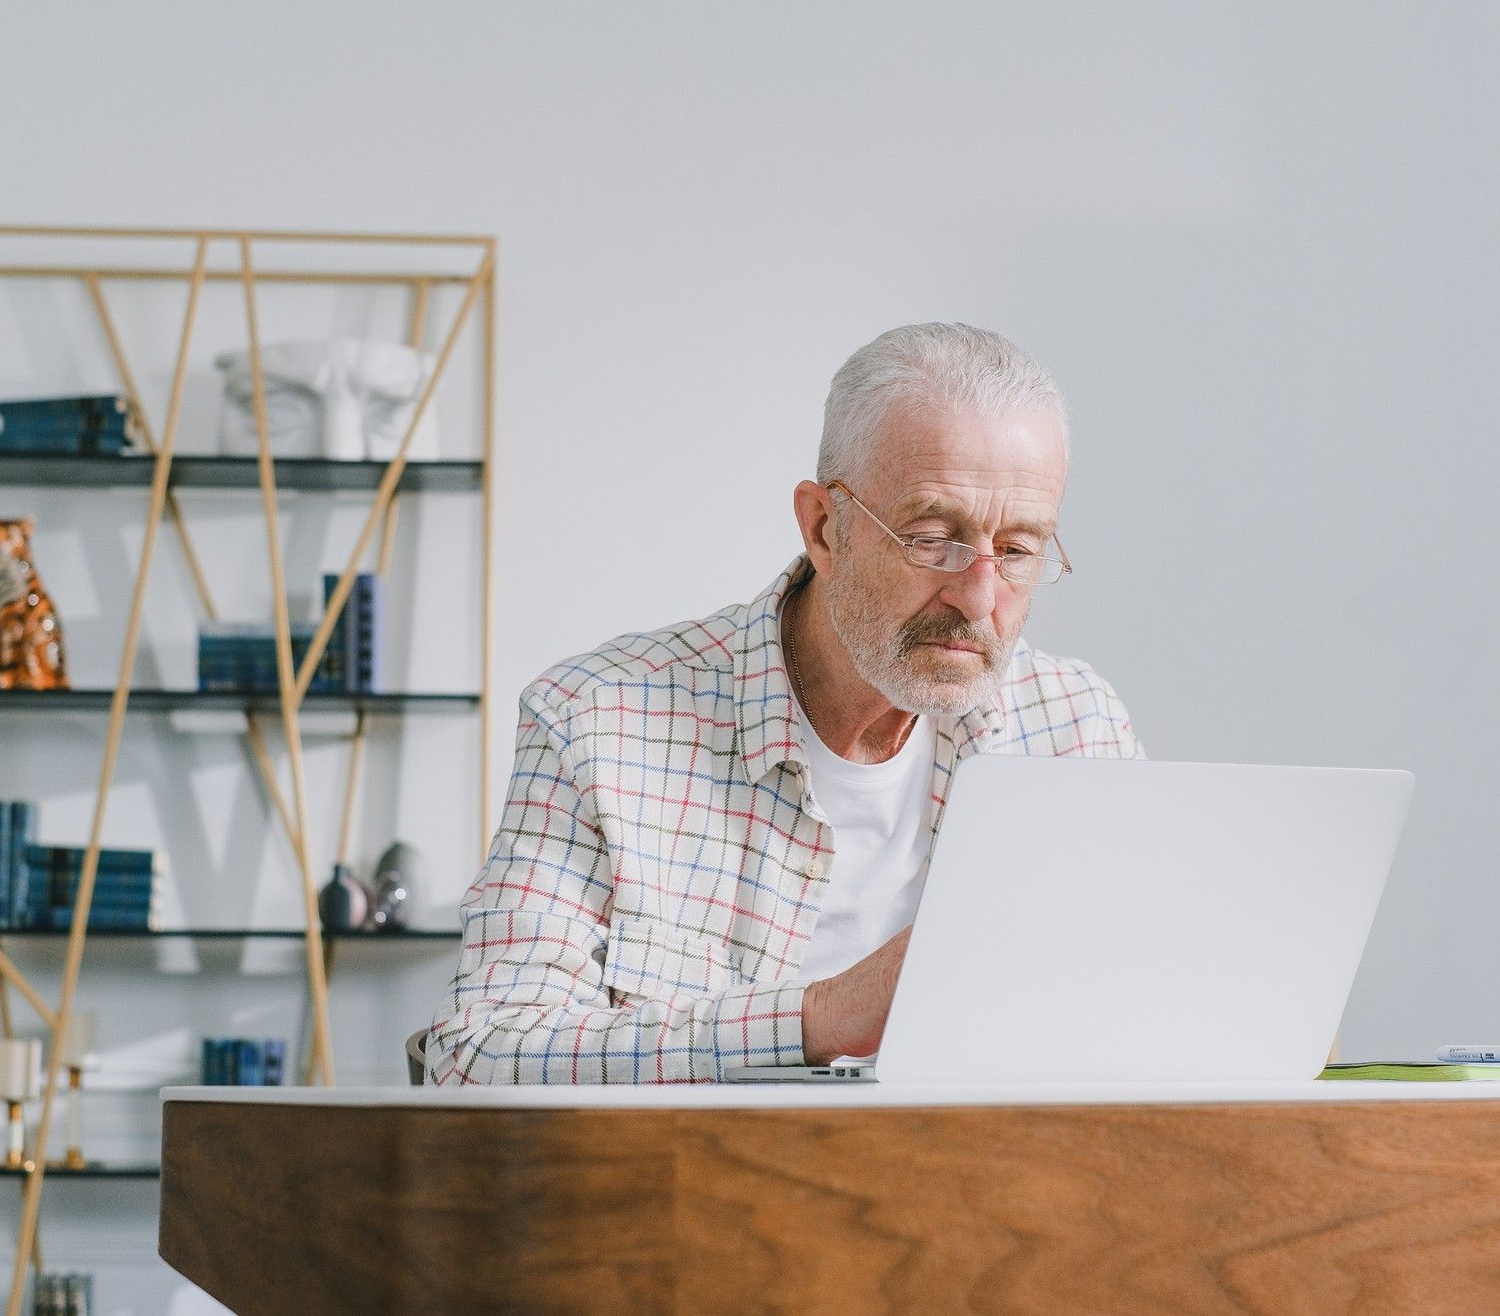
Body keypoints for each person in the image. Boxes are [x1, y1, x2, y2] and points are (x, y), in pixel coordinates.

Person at [427, 323, 1141, 1084]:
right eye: (934, 538)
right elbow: (480, 1056)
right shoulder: (595, 721)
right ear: (824, 528)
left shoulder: (1075, 725)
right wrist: (824, 1016)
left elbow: (1147, 1026)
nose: (979, 595)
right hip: (699, 1195)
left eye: (1020, 550)